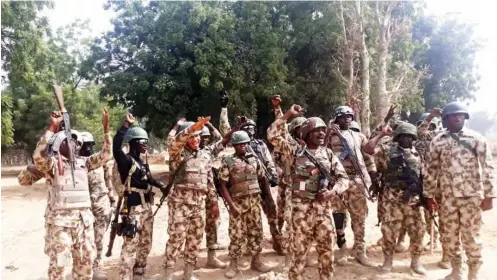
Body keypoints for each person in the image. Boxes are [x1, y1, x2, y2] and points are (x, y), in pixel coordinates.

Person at [268, 105, 350, 280]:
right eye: (316, 131)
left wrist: (332, 192)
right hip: (300, 213)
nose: (321, 134)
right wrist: (288, 114)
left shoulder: (328, 154)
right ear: (306, 134)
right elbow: (272, 134)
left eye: (323, 130)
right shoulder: (294, 151)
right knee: (298, 255)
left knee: (327, 253)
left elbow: (344, 179)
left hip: (323, 212)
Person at [33, 109, 112, 280]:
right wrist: (52, 128)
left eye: (76, 142)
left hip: (84, 223)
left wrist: (106, 130)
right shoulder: (52, 165)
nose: (73, 144)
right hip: (61, 225)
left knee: (85, 265)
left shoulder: (85, 163)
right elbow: (38, 158)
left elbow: (107, 154)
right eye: (69, 141)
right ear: (59, 145)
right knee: (59, 268)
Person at [424, 101, 495, 280]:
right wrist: (429, 195)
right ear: (445, 119)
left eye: (460, 115)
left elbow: (488, 167)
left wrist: (490, 195)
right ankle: (456, 271)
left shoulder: (476, 138)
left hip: (471, 196)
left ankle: (473, 272)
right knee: (449, 236)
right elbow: (431, 169)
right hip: (447, 198)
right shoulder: (437, 141)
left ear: (465, 117)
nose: (457, 118)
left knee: (471, 236)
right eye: (452, 115)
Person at [163, 117, 222, 280]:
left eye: (198, 136)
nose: (196, 139)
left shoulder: (204, 156)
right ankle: (168, 274)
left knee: (194, 240)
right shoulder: (177, 154)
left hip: (199, 206)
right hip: (180, 206)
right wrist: (190, 128)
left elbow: (209, 180)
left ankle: (188, 274)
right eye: (192, 137)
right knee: (176, 239)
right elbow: (174, 142)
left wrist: (214, 202)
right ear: (186, 138)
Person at [364, 122, 427, 275]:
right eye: (403, 136)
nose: (406, 139)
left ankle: (416, 261)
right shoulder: (387, 151)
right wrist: (381, 134)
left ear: (414, 138)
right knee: (389, 231)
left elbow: (424, 176)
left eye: (410, 136)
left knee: (418, 230)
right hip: (391, 199)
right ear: (397, 137)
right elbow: (367, 149)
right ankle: (388, 260)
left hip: (413, 199)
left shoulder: (418, 154)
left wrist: (425, 196)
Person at [113, 112, 166, 279]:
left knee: (146, 242)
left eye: (146, 142)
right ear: (133, 144)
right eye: (142, 142)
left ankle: (139, 271)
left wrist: (160, 186)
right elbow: (116, 148)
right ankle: (125, 276)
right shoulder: (126, 161)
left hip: (146, 208)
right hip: (133, 209)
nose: (145, 145)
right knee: (130, 245)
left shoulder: (142, 163)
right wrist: (125, 126)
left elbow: (148, 179)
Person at [218, 130, 276, 278]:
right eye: (240, 144)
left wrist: (269, 199)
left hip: (254, 203)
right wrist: (231, 206)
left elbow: (263, 180)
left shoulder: (254, 159)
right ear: (234, 145)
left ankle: (256, 261)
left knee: (256, 233)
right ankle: (234, 265)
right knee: (236, 235)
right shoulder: (228, 161)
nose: (243, 146)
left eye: (245, 143)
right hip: (238, 204)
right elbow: (223, 185)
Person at [326, 105, 378, 266]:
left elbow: (368, 159)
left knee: (359, 217)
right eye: (342, 116)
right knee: (338, 216)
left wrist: (374, 179)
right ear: (336, 119)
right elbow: (321, 152)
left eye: (349, 116)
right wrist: (329, 133)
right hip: (338, 181)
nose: (346, 119)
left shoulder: (359, 136)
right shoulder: (330, 136)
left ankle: (360, 250)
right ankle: (342, 249)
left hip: (356, 182)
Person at [80, 131, 115, 279]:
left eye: (91, 145)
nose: (88, 148)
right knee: (84, 240)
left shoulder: (101, 162)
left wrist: (112, 200)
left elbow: (109, 181)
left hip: (101, 205)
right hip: (84, 208)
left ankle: (97, 267)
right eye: (85, 145)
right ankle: (84, 268)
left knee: (99, 238)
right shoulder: (78, 164)